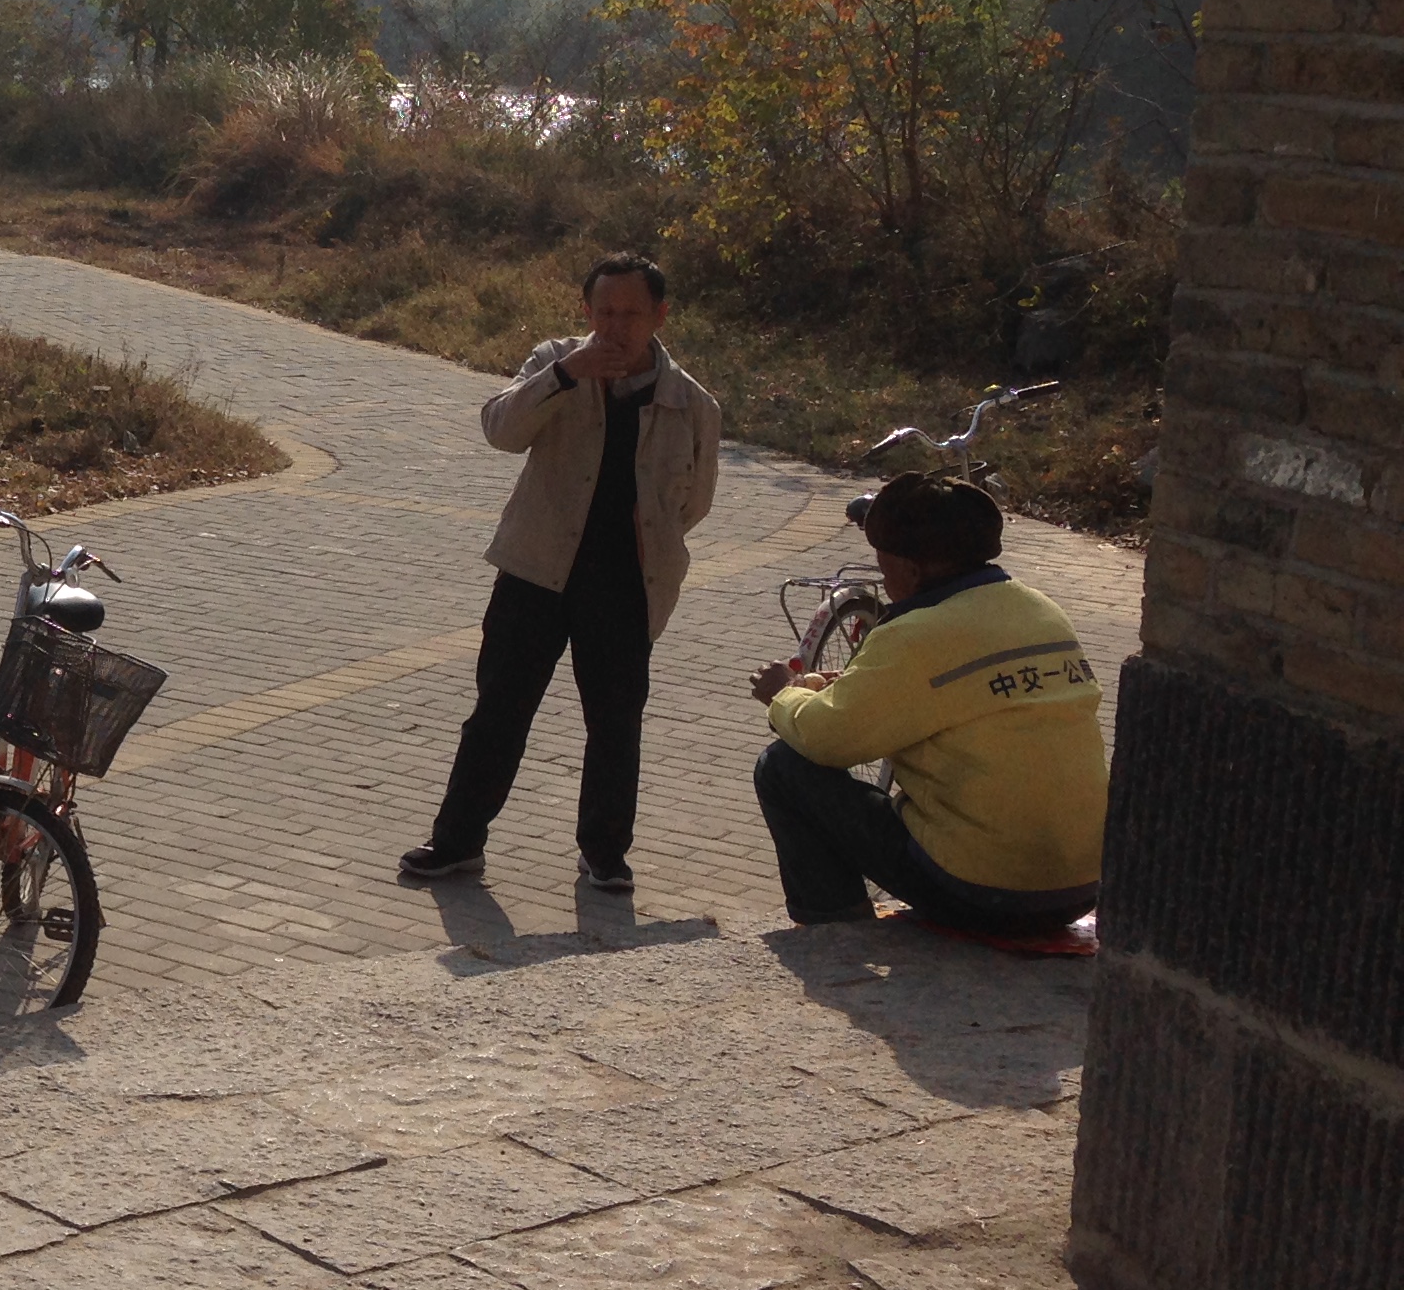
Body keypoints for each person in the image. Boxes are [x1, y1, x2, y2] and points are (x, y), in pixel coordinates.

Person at [398, 253, 723, 894]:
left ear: (660, 316)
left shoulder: (691, 404)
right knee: (498, 711)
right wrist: (567, 374)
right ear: (586, 311)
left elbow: (694, 503)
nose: (616, 327)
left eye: (631, 314)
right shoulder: (553, 362)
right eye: (605, 312)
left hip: (628, 583)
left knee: (615, 723)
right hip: (536, 569)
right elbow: (501, 430)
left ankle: (605, 852)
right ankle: (457, 843)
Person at [747, 470, 1106, 933]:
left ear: (911, 569)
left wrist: (783, 692)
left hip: (987, 893)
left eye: (883, 568)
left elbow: (827, 738)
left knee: (782, 767)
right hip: (1082, 884)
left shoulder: (912, 636)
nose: (883, 579)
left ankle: (834, 928)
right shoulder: (1041, 610)